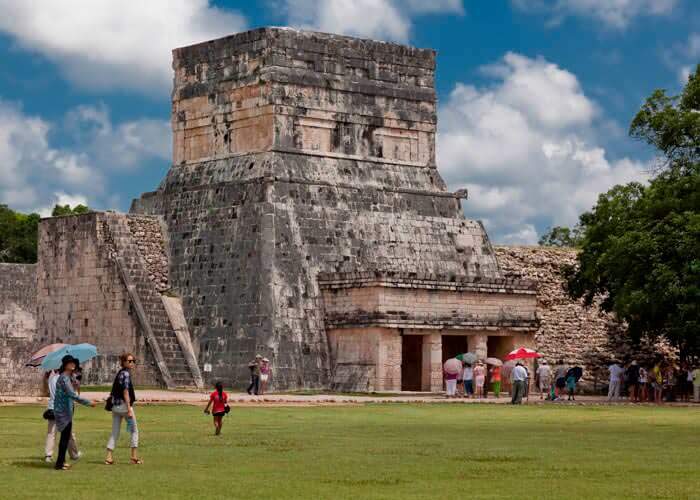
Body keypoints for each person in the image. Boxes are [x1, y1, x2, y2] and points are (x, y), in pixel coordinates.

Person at [53, 356, 97, 470]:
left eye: (73, 362)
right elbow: (72, 395)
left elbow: (75, 389)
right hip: (62, 411)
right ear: (65, 365)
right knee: (64, 438)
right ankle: (59, 463)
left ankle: (61, 461)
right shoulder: (64, 378)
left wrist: (76, 381)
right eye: (70, 363)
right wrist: (88, 403)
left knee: (66, 437)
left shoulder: (69, 377)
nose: (73, 364)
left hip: (67, 410)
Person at [105, 352, 142, 465]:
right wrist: (129, 408)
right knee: (134, 431)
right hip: (124, 407)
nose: (132, 363)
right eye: (129, 361)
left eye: (133, 361)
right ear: (124, 362)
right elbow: (125, 392)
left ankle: (109, 456)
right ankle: (133, 456)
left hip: (116, 407)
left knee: (115, 432)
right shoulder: (125, 374)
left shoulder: (120, 373)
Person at [44, 369, 80, 463]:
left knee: (51, 433)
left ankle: (48, 454)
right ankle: (74, 453)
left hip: (52, 407)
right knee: (69, 433)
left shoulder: (51, 377)